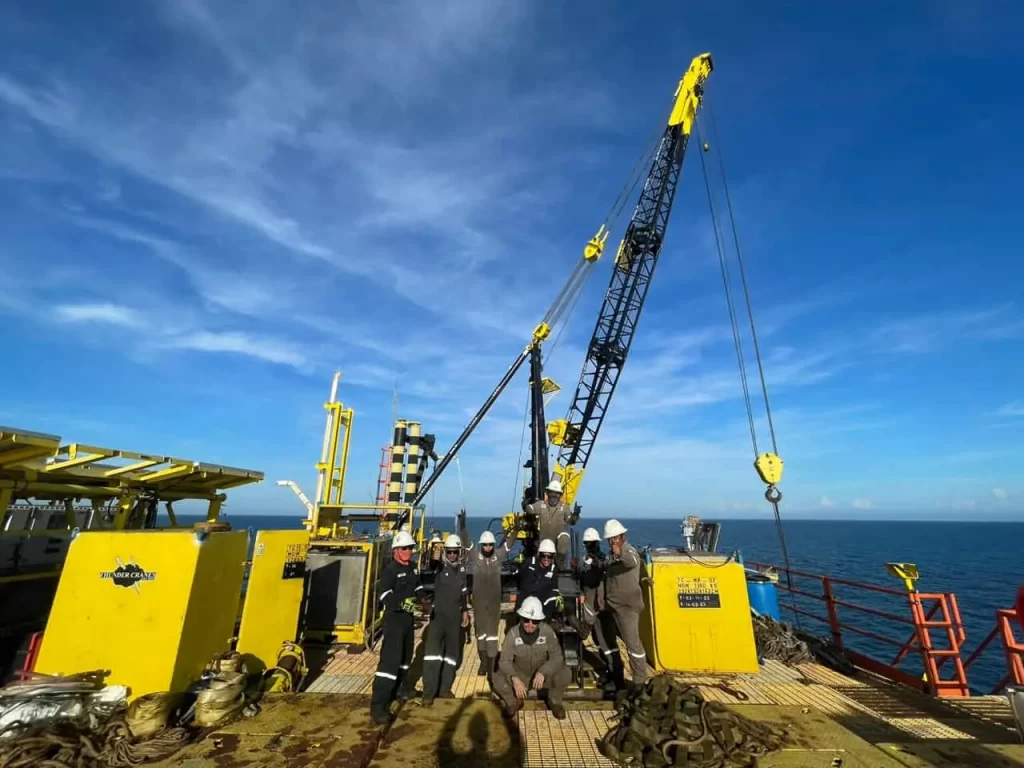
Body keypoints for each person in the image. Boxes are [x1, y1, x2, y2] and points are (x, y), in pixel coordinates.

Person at [371, 530, 423, 724]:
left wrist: (423, 598)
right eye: (405, 548)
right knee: (389, 663)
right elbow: (384, 595)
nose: (409, 551)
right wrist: (400, 604)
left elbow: (417, 587)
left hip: (408, 622)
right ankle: (378, 706)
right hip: (394, 621)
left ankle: (401, 689)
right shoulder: (390, 570)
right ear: (396, 551)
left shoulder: (412, 568)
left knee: (405, 658)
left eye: (410, 548)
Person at [492, 596, 569, 720]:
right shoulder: (512, 634)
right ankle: (513, 702)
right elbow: (504, 661)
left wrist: (544, 671)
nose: (530, 624)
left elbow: (557, 656)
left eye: (535, 621)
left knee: (565, 672)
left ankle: (554, 701)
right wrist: (514, 678)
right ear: (521, 619)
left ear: (539, 621)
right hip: (521, 676)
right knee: (496, 675)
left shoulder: (547, 631)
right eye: (526, 620)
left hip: (542, 677)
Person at [421, 534, 469, 705]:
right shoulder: (439, 568)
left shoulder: (462, 570)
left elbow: (464, 593)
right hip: (438, 617)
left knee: (451, 655)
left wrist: (465, 612)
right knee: (432, 654)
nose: (452, 555)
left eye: (455, 552)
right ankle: (428, 692)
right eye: (449, 552)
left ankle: (444, 689)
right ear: (445, 552)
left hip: (454, 618)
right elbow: (432, 565)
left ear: (459, 552)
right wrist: (435, 555)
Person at [602, 519, 647, 690]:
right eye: (610, 539)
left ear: (622, 536)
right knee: (606, 639)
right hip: (612, 605)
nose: (612, 541)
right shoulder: (612, 555)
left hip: (627, 608)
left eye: (615, 538)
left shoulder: (629, 551)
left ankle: (639, 682)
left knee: (633, 644)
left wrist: (619, 552)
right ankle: (616, 675)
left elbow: (631, 562)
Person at [579, 527, 619, 689]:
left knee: (606, 642)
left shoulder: (602, 560)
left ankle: (615, 676)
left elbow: (597, 577)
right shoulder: (586, 559)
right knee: (598, 640)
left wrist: (595, 564)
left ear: (597, 543)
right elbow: (585, 580)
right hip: (591, 608)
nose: (589, 546)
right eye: (587, 544)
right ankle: (608, 673)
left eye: (592, 543)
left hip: (601, 609)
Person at [469, 529, 509, 676]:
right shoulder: (475, 557)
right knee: (480, 635)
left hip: (493, 604)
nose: (488, 547)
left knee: (492, 635)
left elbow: (508, 546)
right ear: (481, 545)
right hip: (479, 605)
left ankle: (491, 667)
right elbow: (467, 545)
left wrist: (515, 531)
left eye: (490, 545)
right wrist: (462, 529)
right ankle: (483, 663)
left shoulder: (497, 557)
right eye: (485, 545)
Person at [524, 479, 574, 567]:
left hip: (557, 542)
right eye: (552, 493)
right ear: (548, 493)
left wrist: (575, 515)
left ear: (560, 495)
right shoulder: (541, 504)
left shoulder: (565, 508)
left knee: (565, 537)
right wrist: (525, 505)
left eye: (556, 493)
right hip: (542, 542)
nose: (554, 496)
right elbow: (530, 509)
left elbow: (571, 521)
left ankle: (559, 563)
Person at [516, 538, 563, 620]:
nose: (546, 559)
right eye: (543, 555)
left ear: (553, 556)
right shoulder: (528, 563)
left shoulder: (554, 570)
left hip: (542, 605)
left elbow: (554, 587)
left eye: (550, 556)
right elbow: (518, 577)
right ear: (538, 554)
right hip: (524, 601)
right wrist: (518, 566)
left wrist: (557, 597)